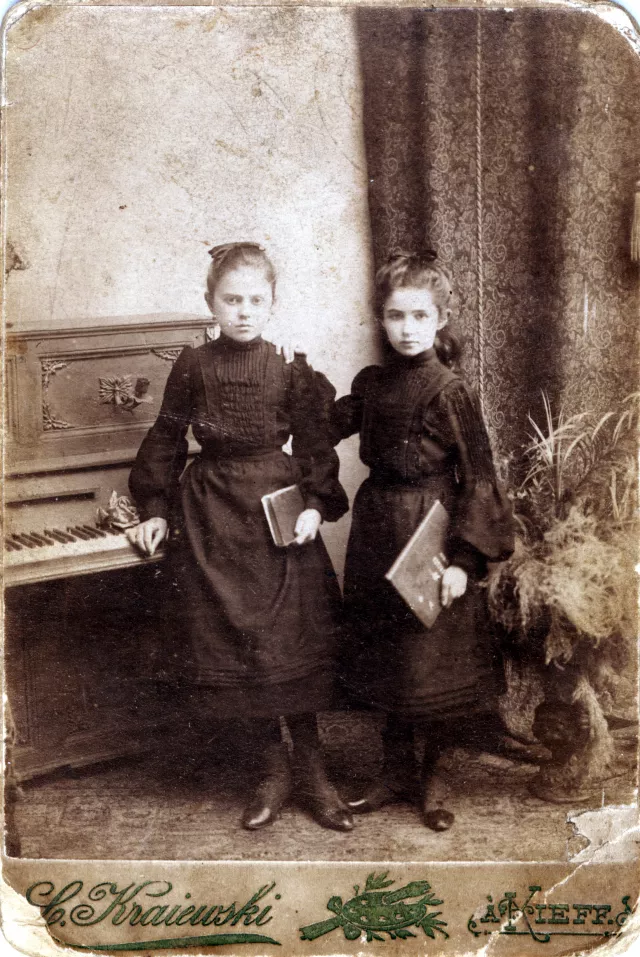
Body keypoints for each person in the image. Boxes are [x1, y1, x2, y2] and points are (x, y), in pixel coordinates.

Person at [127, 241, 353, 832]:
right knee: (238, 645)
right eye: (232, 300)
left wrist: (313, 502)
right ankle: (270, 769)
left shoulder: (289, 367)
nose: (244, 311)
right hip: (213, 516)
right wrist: (153, 504)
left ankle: (313, 770)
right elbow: (167, 436)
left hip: (277, 512)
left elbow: (312, 442)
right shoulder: (193, 366)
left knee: (290, 646)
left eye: (256, 300)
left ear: (273, 303)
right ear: (211, 304)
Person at [331, 250, 514, 831]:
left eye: (419, 315)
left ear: (439, 319)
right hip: (377, 530)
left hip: (430, 532)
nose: (407, 328)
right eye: (394, 316)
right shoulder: (372, 383)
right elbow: (326, 426)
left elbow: (479, 476)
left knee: (428, 660)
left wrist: (463, 559)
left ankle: (433, 774)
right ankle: (392, 770)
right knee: (388, 656)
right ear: (381, 321)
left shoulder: (449, 390)